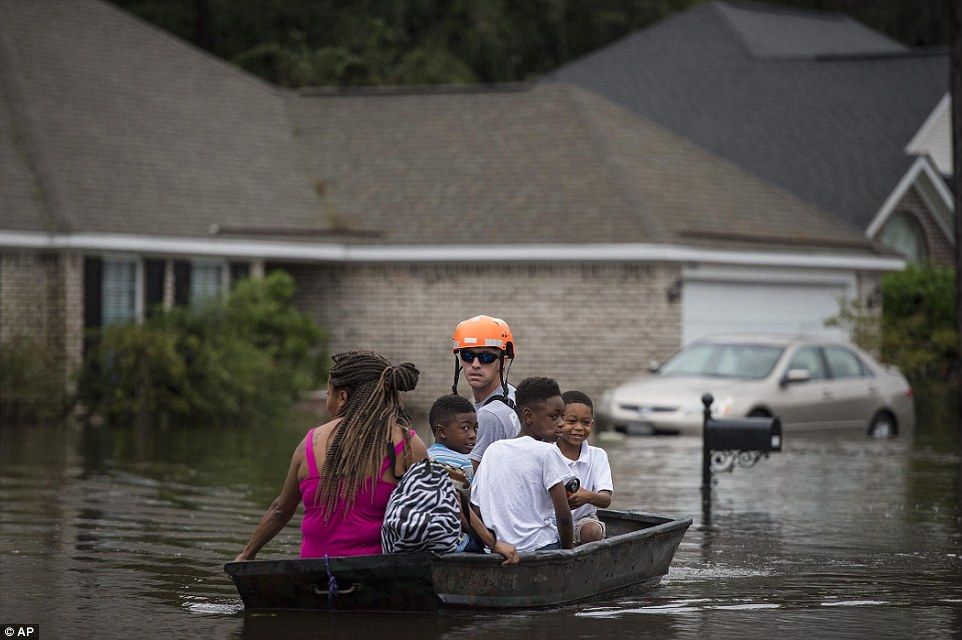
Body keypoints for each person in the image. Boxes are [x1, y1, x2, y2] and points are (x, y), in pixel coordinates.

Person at [233, 350, 428, 561]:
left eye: (328, 395)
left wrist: (247, 554)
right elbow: (431, 510)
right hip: (376, 576)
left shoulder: (309, 444)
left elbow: (280, 510)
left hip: (313, 575)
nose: (328, 402)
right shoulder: (410, 446)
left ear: (342, 397)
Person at [470, 377, 574, 552]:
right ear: (528, 416)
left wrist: (491, 546)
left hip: (497, 551)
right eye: (554, 416)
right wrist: (569, 553)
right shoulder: (547, 452)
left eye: (562, 417)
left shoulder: (493, 450)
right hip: (540, 547)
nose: (562, 424)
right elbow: (563, 516)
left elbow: (475, 509)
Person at [449, 315, 521, 471]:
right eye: (468, 356)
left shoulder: (489, 416)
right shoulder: (513, 395)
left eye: (486, 357)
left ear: (503, 361)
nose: (475, 364)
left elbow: (470, 481)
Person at [557, 391, 613, 545]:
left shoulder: (597, 455)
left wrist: (588, 496)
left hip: (582, 521)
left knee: (592, 531)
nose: (579, 428)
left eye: (586, 423)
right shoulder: (547, 452)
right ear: (558, 421)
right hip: (550, 522)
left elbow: (605, 498)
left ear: (592, 425)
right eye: (571, 421)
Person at [427, 394, 477, 489]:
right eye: (465, 428)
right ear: (442, 431)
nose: (473, 435)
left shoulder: (424, 457)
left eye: (475, 428)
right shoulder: (466, 463)